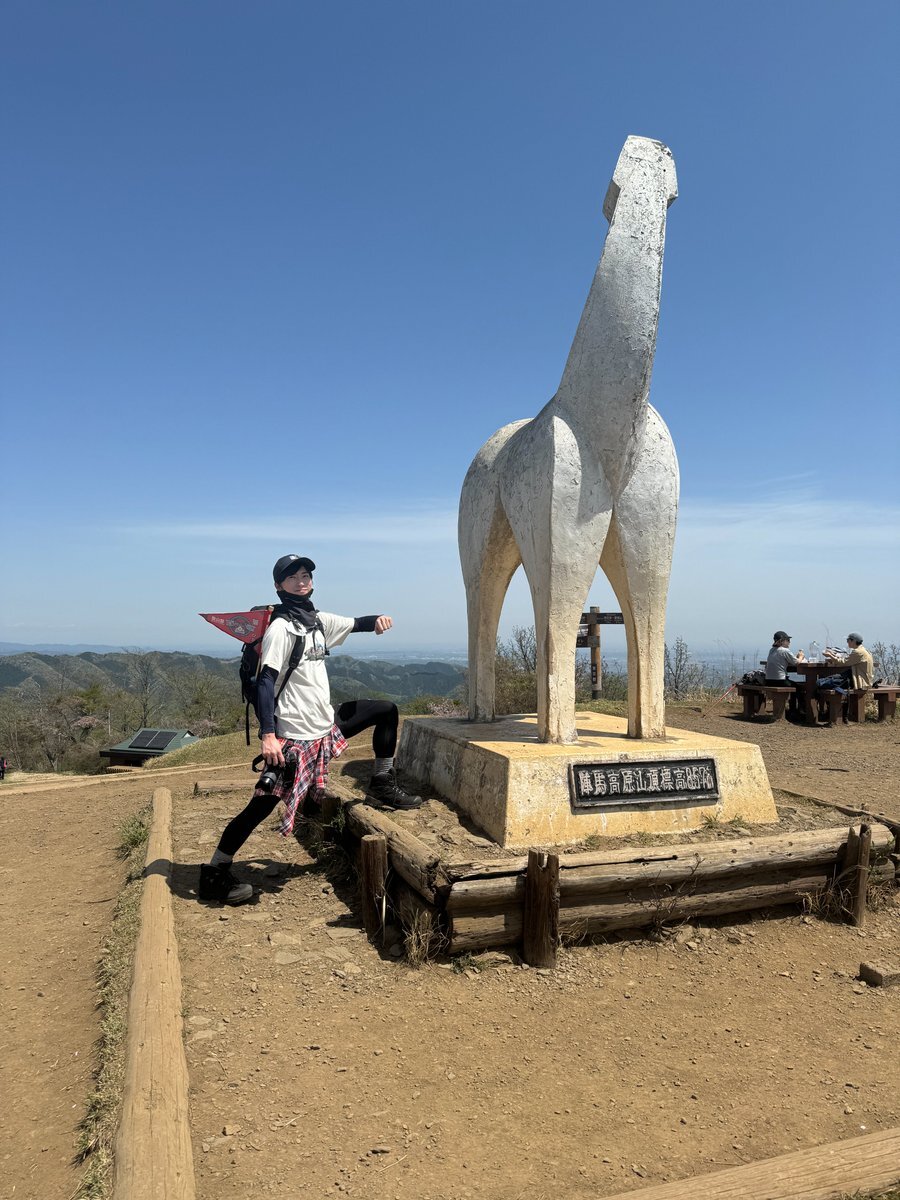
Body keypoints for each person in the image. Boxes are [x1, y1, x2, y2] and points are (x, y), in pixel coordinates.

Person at [199, 554, 422, 905]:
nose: (301, 581)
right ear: (279, 585)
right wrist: (268, 736)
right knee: (262, 805)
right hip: (294, 735)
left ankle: (382, 782)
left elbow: (356, 623)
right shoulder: (281, 628)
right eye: (293, 577)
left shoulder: (317, 622)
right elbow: (265, 681)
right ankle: (215, 871)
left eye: (305, 575)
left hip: (324, 726)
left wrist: (377, 620)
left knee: (386, 711)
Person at [764, 631, 806, 717]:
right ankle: (798, 710)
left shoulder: (772, 650)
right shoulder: (785, 651)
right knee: (798, 688)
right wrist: (801, 656)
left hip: (768, 680)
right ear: (782, 641)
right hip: (780, 680)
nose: (789, 642)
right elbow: (796, 662)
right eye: (788, 640)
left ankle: (793, 710)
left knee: (794, 686)